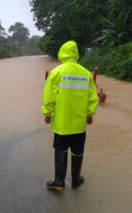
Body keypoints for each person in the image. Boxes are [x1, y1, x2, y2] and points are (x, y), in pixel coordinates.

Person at [42, 40, 99, 191]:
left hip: (62, 123)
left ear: (62, 53)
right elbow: (93, 98)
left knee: (60, 148)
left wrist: (47, 113)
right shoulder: (86, 74)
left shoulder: (56, 72)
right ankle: (76, 180)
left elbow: (49, 96)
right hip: (79, 124)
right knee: (78, 150)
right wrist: (89, 114)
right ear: (76, 54)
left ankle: (59, 182)